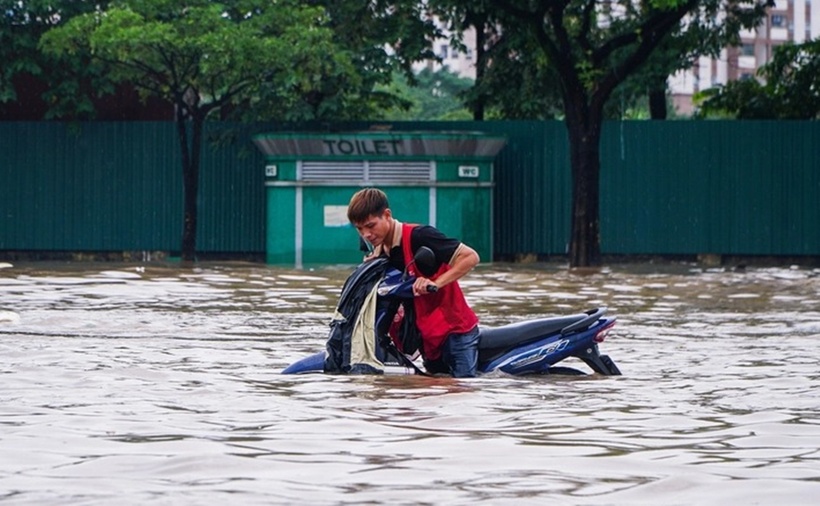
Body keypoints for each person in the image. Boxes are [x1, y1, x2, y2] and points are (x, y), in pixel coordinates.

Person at [346, 187, 481, 377]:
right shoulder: (381, 251)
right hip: (427, 338)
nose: (366, 234)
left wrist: (435, 283)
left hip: (456, 333)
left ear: (387, 215)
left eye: (371, 226)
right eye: (360, 229)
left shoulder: (420, 236)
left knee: (463, 387)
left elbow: (470, 257)